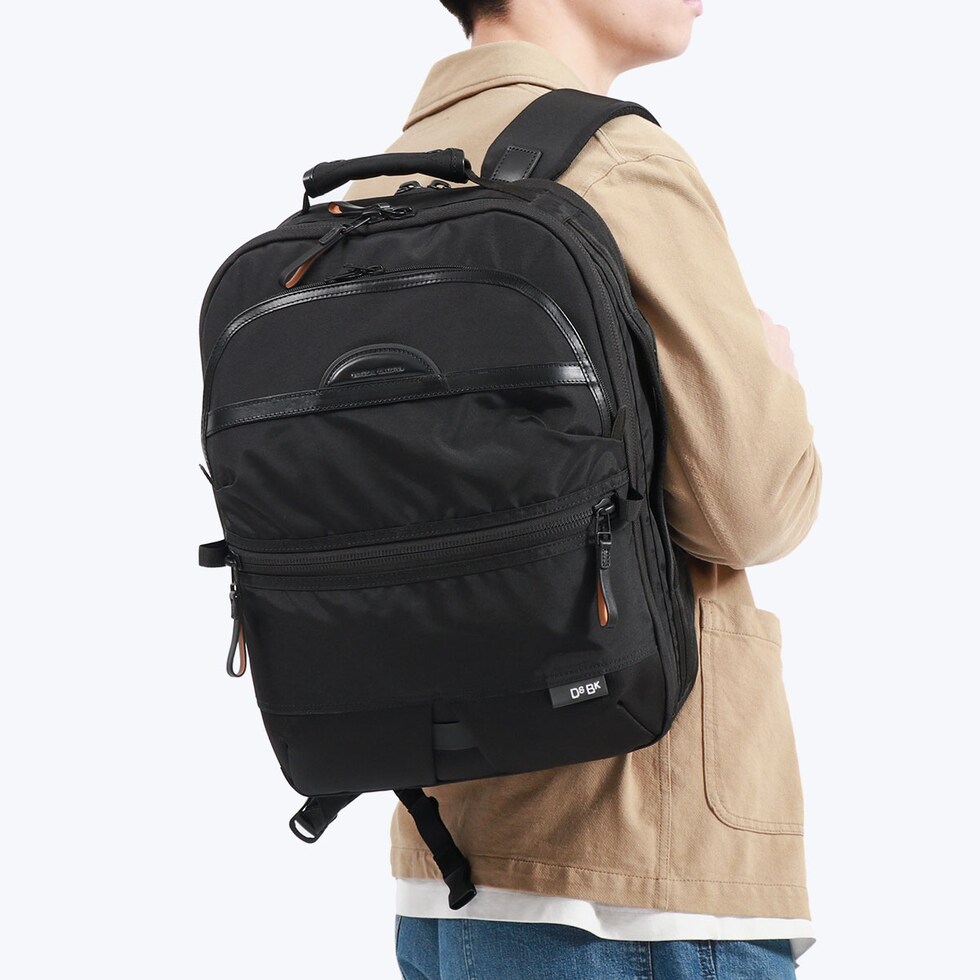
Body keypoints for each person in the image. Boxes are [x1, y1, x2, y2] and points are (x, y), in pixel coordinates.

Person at [348, 2, 822, 977]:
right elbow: (751, 505)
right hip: (636, 870)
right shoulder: (613, 163)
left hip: (446, 856)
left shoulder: (377, 186)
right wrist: (773, 375)